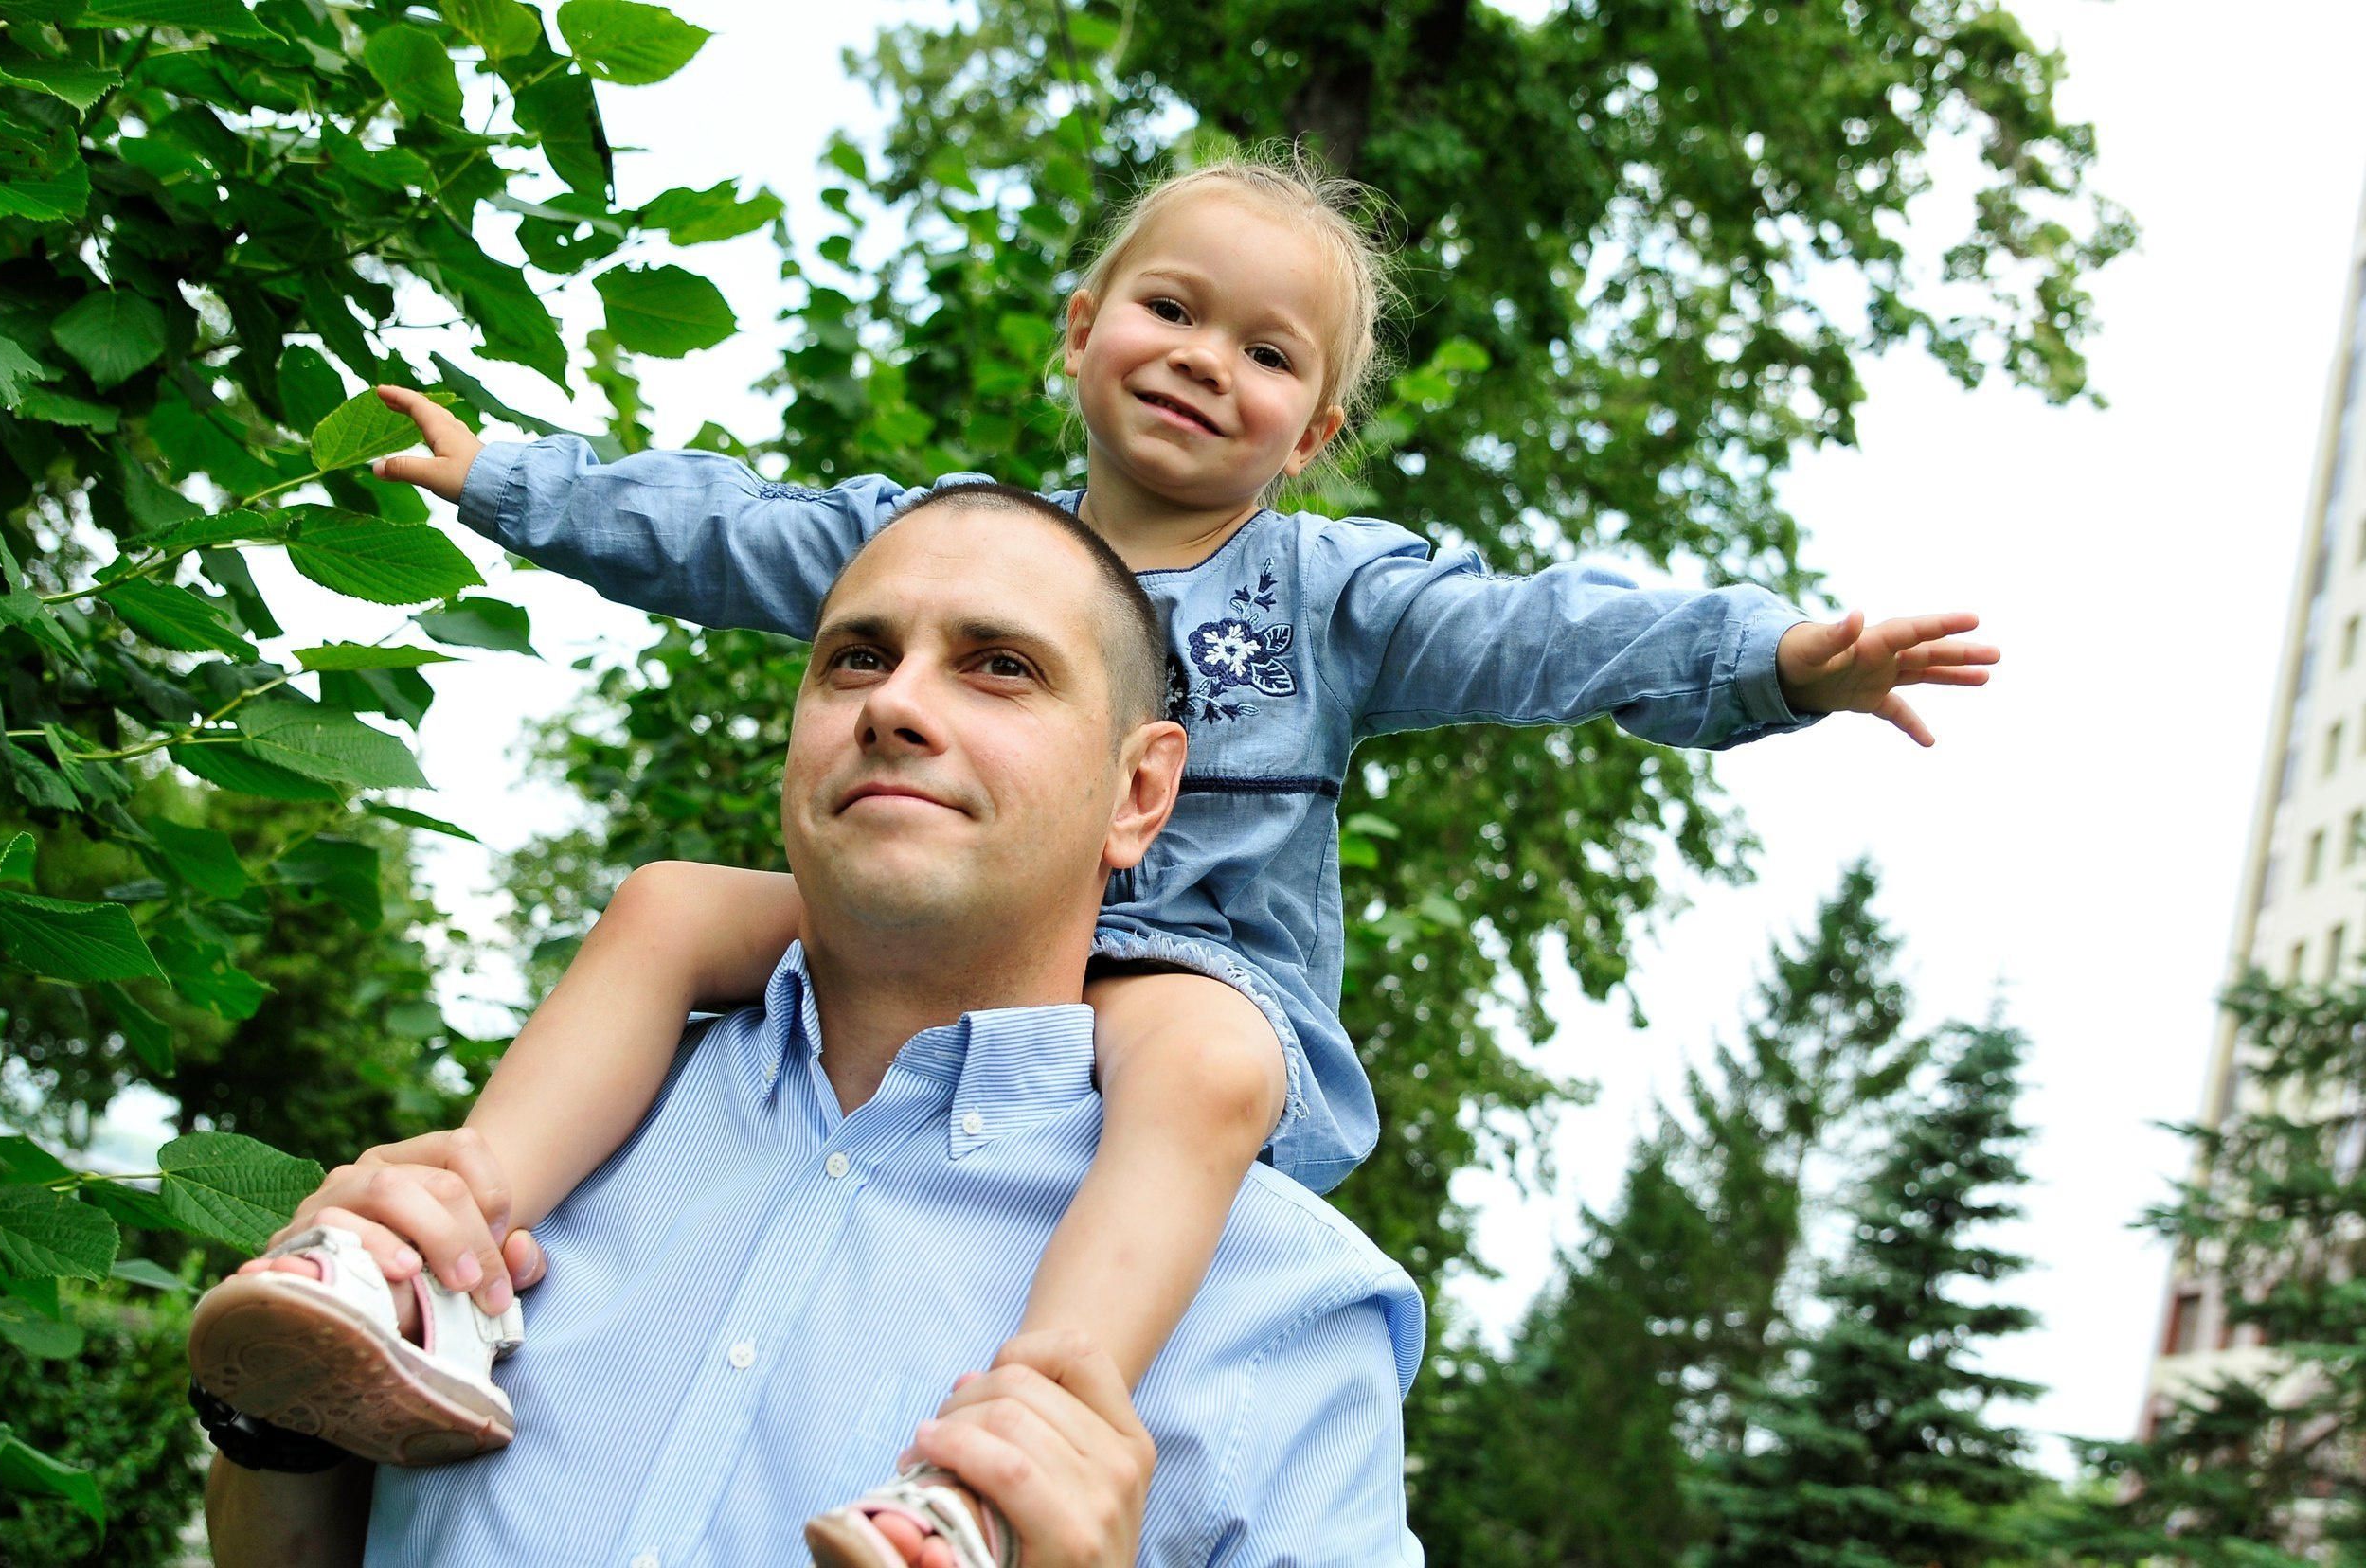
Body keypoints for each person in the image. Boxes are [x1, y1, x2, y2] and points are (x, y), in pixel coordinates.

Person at [194, 148, 1997, 1561]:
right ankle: (428, 1251)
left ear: (1321, 429)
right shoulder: (943, 541)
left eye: (1269, 352)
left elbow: (1540, 636)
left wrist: (1773, 664)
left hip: (1200, 980)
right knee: (672, 903)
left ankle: (1027, 1429)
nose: (1207, 361)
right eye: (1170, 310)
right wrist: (515, 481)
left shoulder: (1337, 597)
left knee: (1200, 1048)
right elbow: (731, 530)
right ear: (1080, 327)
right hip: (960, 931)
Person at [203, 485, 1427, 1566]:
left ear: (1140, 789)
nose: (894, 704)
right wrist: (277, 1428)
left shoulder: (1287, 1318)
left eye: (998, 664)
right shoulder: (546, 1145)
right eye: (854, 658)